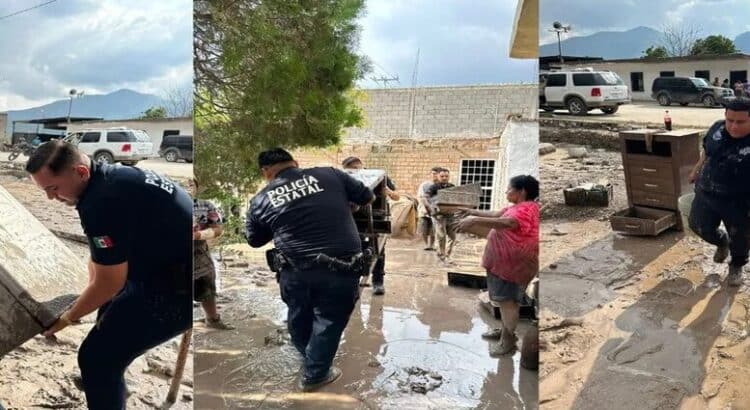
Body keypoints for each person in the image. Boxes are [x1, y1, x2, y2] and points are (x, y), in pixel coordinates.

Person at [25, 140, 191, 409]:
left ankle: (106, 378)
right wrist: (90, 294)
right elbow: (100, 260)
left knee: (95, 358)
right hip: (162, 267)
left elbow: (110, 281)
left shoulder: (101, 201)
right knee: (106, 314)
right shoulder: (111, 176)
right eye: (45, 191)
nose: (50, 198)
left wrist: (68, 317)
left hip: (177, 290)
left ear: (80, 172)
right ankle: (112, 387)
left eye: (53, 189)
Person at [245, 148, 374, 391]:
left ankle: (311, 359)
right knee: (329, 321)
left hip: (294, 272)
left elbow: (254, 240)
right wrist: (347, 207)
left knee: (298, 316)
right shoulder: (330, 174)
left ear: (265, 172)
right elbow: (367, 196)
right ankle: (315, 374)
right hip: (341, 268)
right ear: (295, 162)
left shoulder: (260, 200)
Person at [457, 175, 540, 356]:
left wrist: (474, 221)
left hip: (512, 264)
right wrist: (473, 213)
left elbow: (509, 222)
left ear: (522, 191)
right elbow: (497, 215)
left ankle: (508, 340)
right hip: (505, 262)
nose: (506, 191)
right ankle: (505, 330)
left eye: (509, 188)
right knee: (504, 301)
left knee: (508, 302)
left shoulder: (525, 210)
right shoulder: (518, 207)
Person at [688, 97, 750, 286]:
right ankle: (721, 242)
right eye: (730, 120)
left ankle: (736, 266)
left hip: (740, 200)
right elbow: (707, 150)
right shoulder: (717, 128)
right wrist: (696, 169)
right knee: (698, 226)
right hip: (707, 190)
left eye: (740, 122)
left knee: (741, 238)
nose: (733, 126)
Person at [341, 156, 398, 295]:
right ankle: (354, 281)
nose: (352, 173)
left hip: (377, 218)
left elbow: (397, 196)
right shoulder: (344, 178)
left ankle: (378, 282)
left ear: (361, 166)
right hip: (353, 219)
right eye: (349, 171)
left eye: (355, 169)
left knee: (378, 251)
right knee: (353, 250)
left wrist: (388, 192)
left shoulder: (378, 176)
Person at [189, 178, 234, 329]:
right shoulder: (168, 204)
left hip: (200, 254)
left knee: (207, 288)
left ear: (196, 187)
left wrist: (198, 235)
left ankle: (213, 320)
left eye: (191, 184)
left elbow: (218, 229)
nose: (188, 187)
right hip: (173, 255)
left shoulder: (206, 205)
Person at [426, 168, 458, 260]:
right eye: (442, 176)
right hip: (439, 216)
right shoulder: (433, 187)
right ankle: (442, 255)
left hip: (451, 215)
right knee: (441, 236)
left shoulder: (452, 186)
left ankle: (448, 254)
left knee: (452, 236)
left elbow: (456, 199)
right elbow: (426, 198)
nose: (444, 178)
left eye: (446, 176)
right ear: (438, 176)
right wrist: (432, 209)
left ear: (449, 177)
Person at [417, 167, 440, 251]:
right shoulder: (424, 185)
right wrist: (426, 207)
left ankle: (432, 244)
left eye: (436, 174)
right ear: (430, 174)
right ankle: (426, 244)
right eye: (433, 173)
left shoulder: (440, 185)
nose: (434, 175)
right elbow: (421, 196)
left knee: (433, 228)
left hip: (436, 210)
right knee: (424, 228)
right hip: (424, 210)